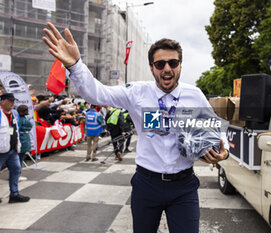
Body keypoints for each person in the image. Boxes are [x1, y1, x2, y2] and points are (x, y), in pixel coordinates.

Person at [42, 22, 229, 233]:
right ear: (152, 68)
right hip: (147, 184)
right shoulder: (137, 92)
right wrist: (76, 65)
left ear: (180, 65)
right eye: (160, 64)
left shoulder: (194, 94)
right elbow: (97, 93)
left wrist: (223, 153)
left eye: (173, 63)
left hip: (183, 186)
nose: (167, 68)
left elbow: (215, 130)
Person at [0, 93, 30, 203]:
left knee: (16, 169)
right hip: (1, 150)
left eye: (13, 101)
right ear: (3, 101)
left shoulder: (14, 113)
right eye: (10, 100)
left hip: (12, 149)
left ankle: (14, 194)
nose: (12, 103)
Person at [17, 105, 33, 180]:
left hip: (21, 138)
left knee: (19, 157)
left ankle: (16, 174)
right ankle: (17, 175)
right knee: (19, 158)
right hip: (23, 139)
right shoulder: (22, 119)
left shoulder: (20, 118)